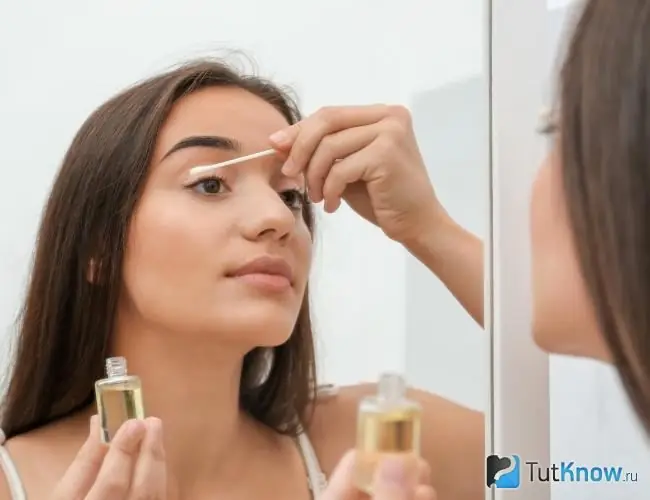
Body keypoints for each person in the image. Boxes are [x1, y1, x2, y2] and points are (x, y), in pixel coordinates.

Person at [0, 59, 482, 499]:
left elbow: (554, 458)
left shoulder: (381, 449)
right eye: (209, 184)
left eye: (291, 195)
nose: (277, 218)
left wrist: (431, 230)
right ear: (97, 250)